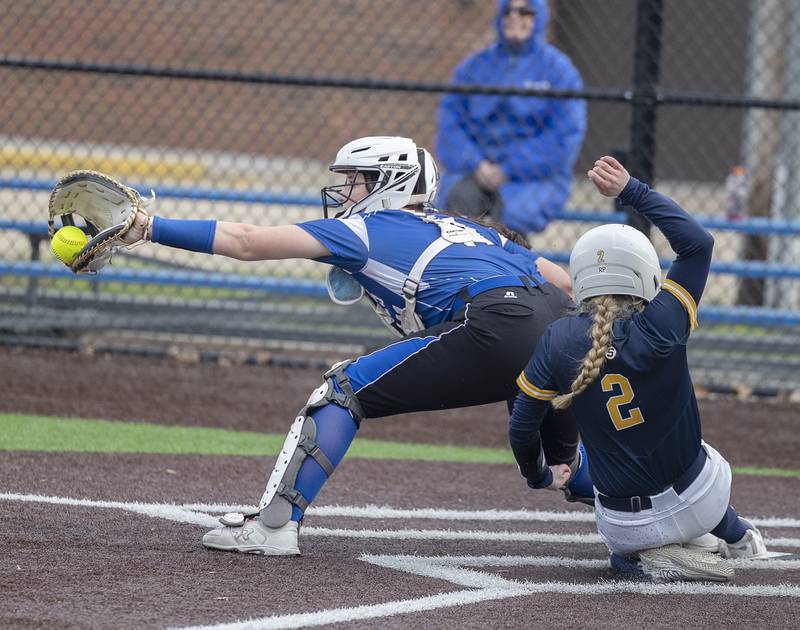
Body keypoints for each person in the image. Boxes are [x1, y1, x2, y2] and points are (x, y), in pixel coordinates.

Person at [121, 136, 583, 556]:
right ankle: (641, 524)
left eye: (356, 182)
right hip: (557, 324)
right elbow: (561, 283)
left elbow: (246, 241)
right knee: (566, 464)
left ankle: (274, 525)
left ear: (390, 184)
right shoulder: (470, 229)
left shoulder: (366, 229)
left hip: (497, 323)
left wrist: (149, 227)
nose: (345, 194)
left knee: (342, 389)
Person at [508, 156, 769, 582]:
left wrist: (539, 475)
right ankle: (738, 536)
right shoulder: (665, 321)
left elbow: (522, 428)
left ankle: (635, 560)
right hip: (700, 498)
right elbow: (697, 244)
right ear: (643, 273)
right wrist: (632, 190)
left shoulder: (559, 339)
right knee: (698, 453)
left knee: (586, 457)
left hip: (623, 526)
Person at [435, 0, 586, 234]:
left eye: (525, 11)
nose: (514, 16)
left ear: (539, 17)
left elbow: (564, 137)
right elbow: (450, 125)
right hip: (475, 172)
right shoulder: (474, 67)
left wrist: (509, 168)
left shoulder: (558, 70)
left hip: (531, 179)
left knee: (512, 222)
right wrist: (477, 164)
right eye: (507, 11)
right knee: (456, 209)